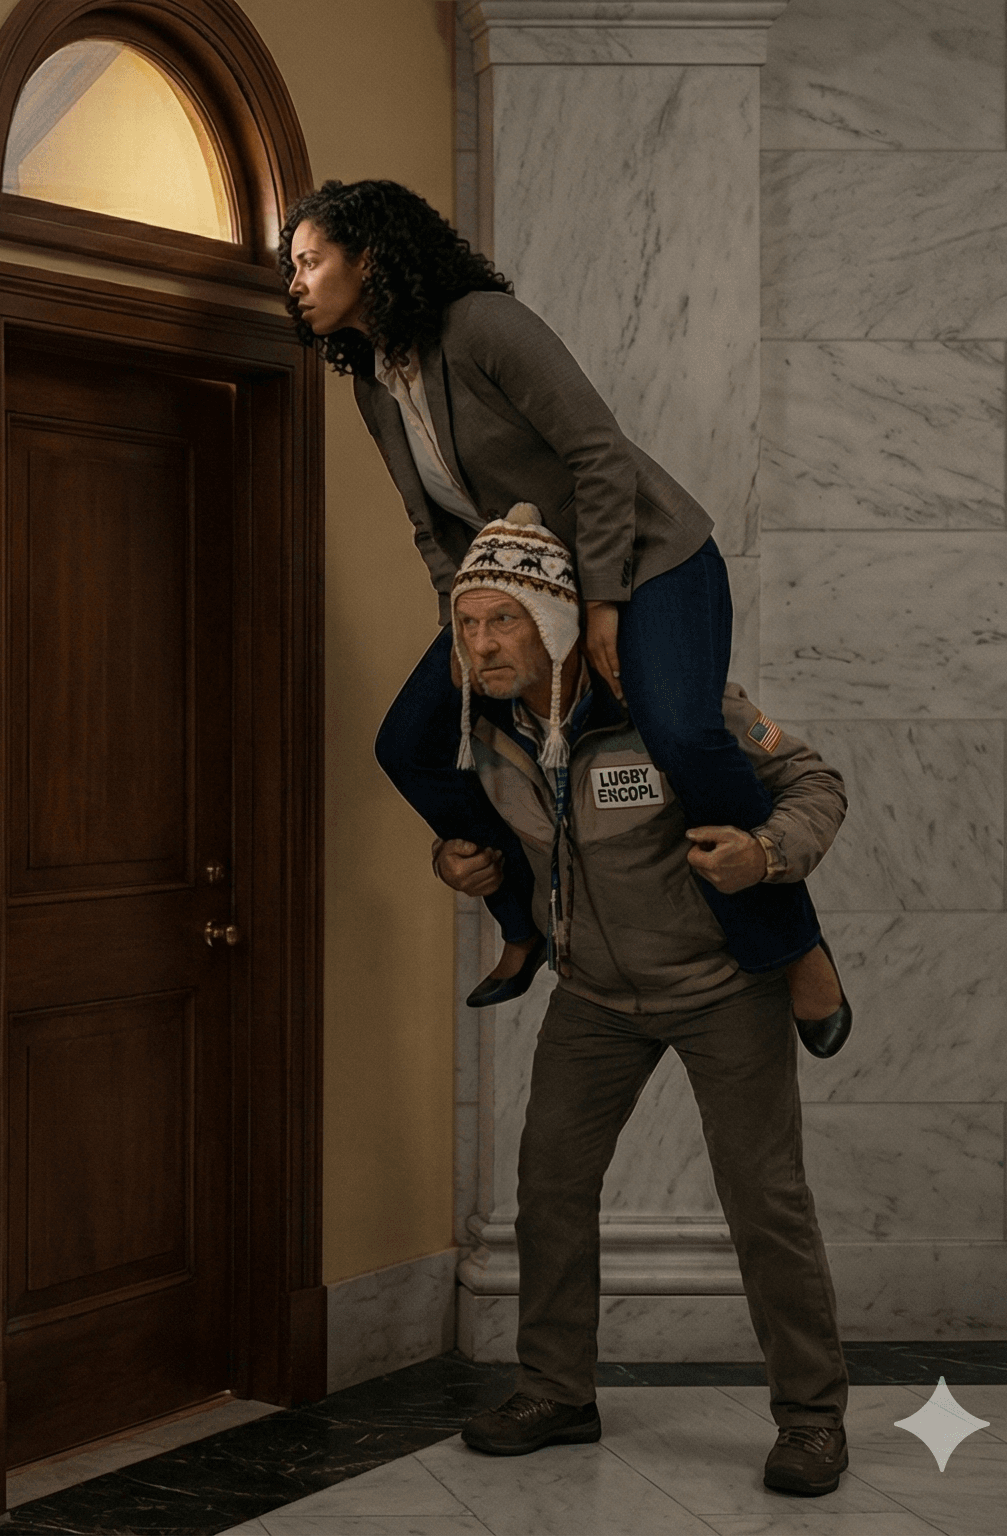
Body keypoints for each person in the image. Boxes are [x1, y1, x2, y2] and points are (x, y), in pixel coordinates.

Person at [280, 178, 850, 1055]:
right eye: (294, 268)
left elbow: (598, 456)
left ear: (370, 257)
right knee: (410, 742)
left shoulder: (482, 326)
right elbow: (434, 530)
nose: (298, 282)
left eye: (312, 262)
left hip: (652, 559)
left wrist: (606, 604)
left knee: (683, 731)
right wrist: (463, 624)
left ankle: (792, 947)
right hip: (529, 589)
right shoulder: (375, 388)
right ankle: (524, 922)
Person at [426, 512, 852, 1497]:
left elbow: (812, 782)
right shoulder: (480, 730)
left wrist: (766, 855)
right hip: (593, 1000)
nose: (480, 644)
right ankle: (556, 1390)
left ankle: (811, 1416)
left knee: (765, 1201)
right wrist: (457, 859)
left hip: (719, 992)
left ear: (553, 624)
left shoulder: (668, 702)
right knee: (549, 1188)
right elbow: (503, 839)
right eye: (467, 623)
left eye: (501, 622)